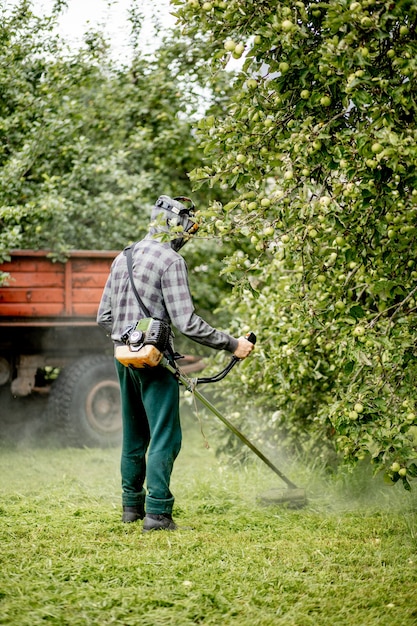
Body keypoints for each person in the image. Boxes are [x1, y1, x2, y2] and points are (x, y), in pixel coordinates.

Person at [97, 195, 254, 532]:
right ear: (176, 223)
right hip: (156, 363)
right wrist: (232, 343)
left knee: (134, 435)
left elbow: (104, 317)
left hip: (122, 359)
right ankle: (157, 514)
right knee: (166, 436)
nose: (188, 235)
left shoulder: (121, 257)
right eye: (188, 227)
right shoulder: (170, 261)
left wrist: (130, 340)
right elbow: (187, 322)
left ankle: (131, 508)